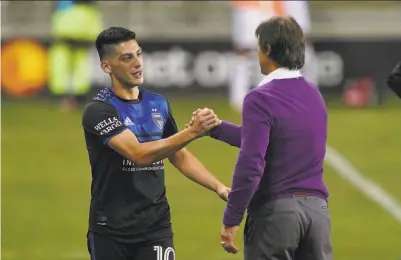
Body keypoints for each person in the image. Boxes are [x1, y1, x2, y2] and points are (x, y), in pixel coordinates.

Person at [82, 27, 230, 260]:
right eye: (127, 57)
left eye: (139, 54)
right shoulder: (99, 111)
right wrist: (192, 131)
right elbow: (138, 154)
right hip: (110, 228)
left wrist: (219, 187)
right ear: (106, 67)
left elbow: (178, 154)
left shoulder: (157, 103)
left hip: (155, 226)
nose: (137, 63)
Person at [191, 16, 331, 260]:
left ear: (267, 49)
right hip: (317, 215)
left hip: (277, 214)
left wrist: (232, 217)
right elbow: (275, 139)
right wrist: (216, 128)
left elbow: (251, 162)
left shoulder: (260, 98)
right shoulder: (314, 96)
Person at [229, 0, 317, 111]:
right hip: (254, 7)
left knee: (299, 45)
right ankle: (242, 97)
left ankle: (304, 95)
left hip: (276, 7)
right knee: (248, 50)